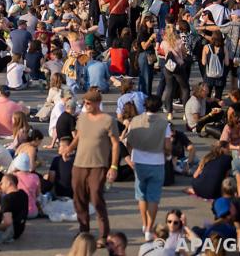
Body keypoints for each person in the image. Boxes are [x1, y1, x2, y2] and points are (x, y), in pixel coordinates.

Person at [64, 88, 120, 248]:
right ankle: (84, 232)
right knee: (79, 199)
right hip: (79, 164)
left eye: (88, 103)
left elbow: (115, 144)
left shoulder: (108, 120)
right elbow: (79, 136)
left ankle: (103, 234)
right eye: (84, 103)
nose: (85, 105)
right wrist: (69, 148)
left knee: (96, 199)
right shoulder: (82, 117)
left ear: (97, 103)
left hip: (98, 165)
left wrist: (114, 166)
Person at [125, 95, 171, 241]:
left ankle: (145, 224)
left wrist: (132, 154)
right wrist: (168, 156)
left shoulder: (135, 121)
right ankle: (150, 229)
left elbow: (129, 142)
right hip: (157, 162)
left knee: (141, 195)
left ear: (145, 105)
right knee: (154, 197)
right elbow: (168, 146)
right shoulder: (165, 124)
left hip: (139, 162)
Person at [0, 174, 28, 244]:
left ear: (9, 183)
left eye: (2, 183)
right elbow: (11, 205)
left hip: (10, 232)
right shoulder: (23, 193)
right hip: (20, 229)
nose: (0, 184)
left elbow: (8, 222)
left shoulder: (7, 199)